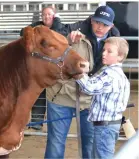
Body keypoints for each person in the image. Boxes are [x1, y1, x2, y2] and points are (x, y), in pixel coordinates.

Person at [45, 5, 120, 159]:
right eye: (97, 22)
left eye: (105, 24)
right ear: (92, 20)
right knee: (55, 145)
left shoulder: (115, 42)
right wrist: (67, 40)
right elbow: (50, 45)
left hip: (91, 101)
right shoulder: (76, 29)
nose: (100, 27)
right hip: (61, 97)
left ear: (111, 26)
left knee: (90, 145)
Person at [75, 37, 130, 159]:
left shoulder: (110, 74)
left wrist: (78, 73)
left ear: (120, 56)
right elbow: (93, 84)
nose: (104, 53)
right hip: (108, 125)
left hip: (104, 127)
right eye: (104, 50)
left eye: (109, 51)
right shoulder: (115, 74)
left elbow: (89, 87)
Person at [20, 6, 63, 131]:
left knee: (54, 96)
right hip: (39, 68)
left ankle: (54, 125)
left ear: (55, 16)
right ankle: (36, 123)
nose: (46, 17)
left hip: (54, 68)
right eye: (44, 14)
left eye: (49, 14)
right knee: (39, 94)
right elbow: (23, 32)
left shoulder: (60, 28)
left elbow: (60, 35)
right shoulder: (38, 27)